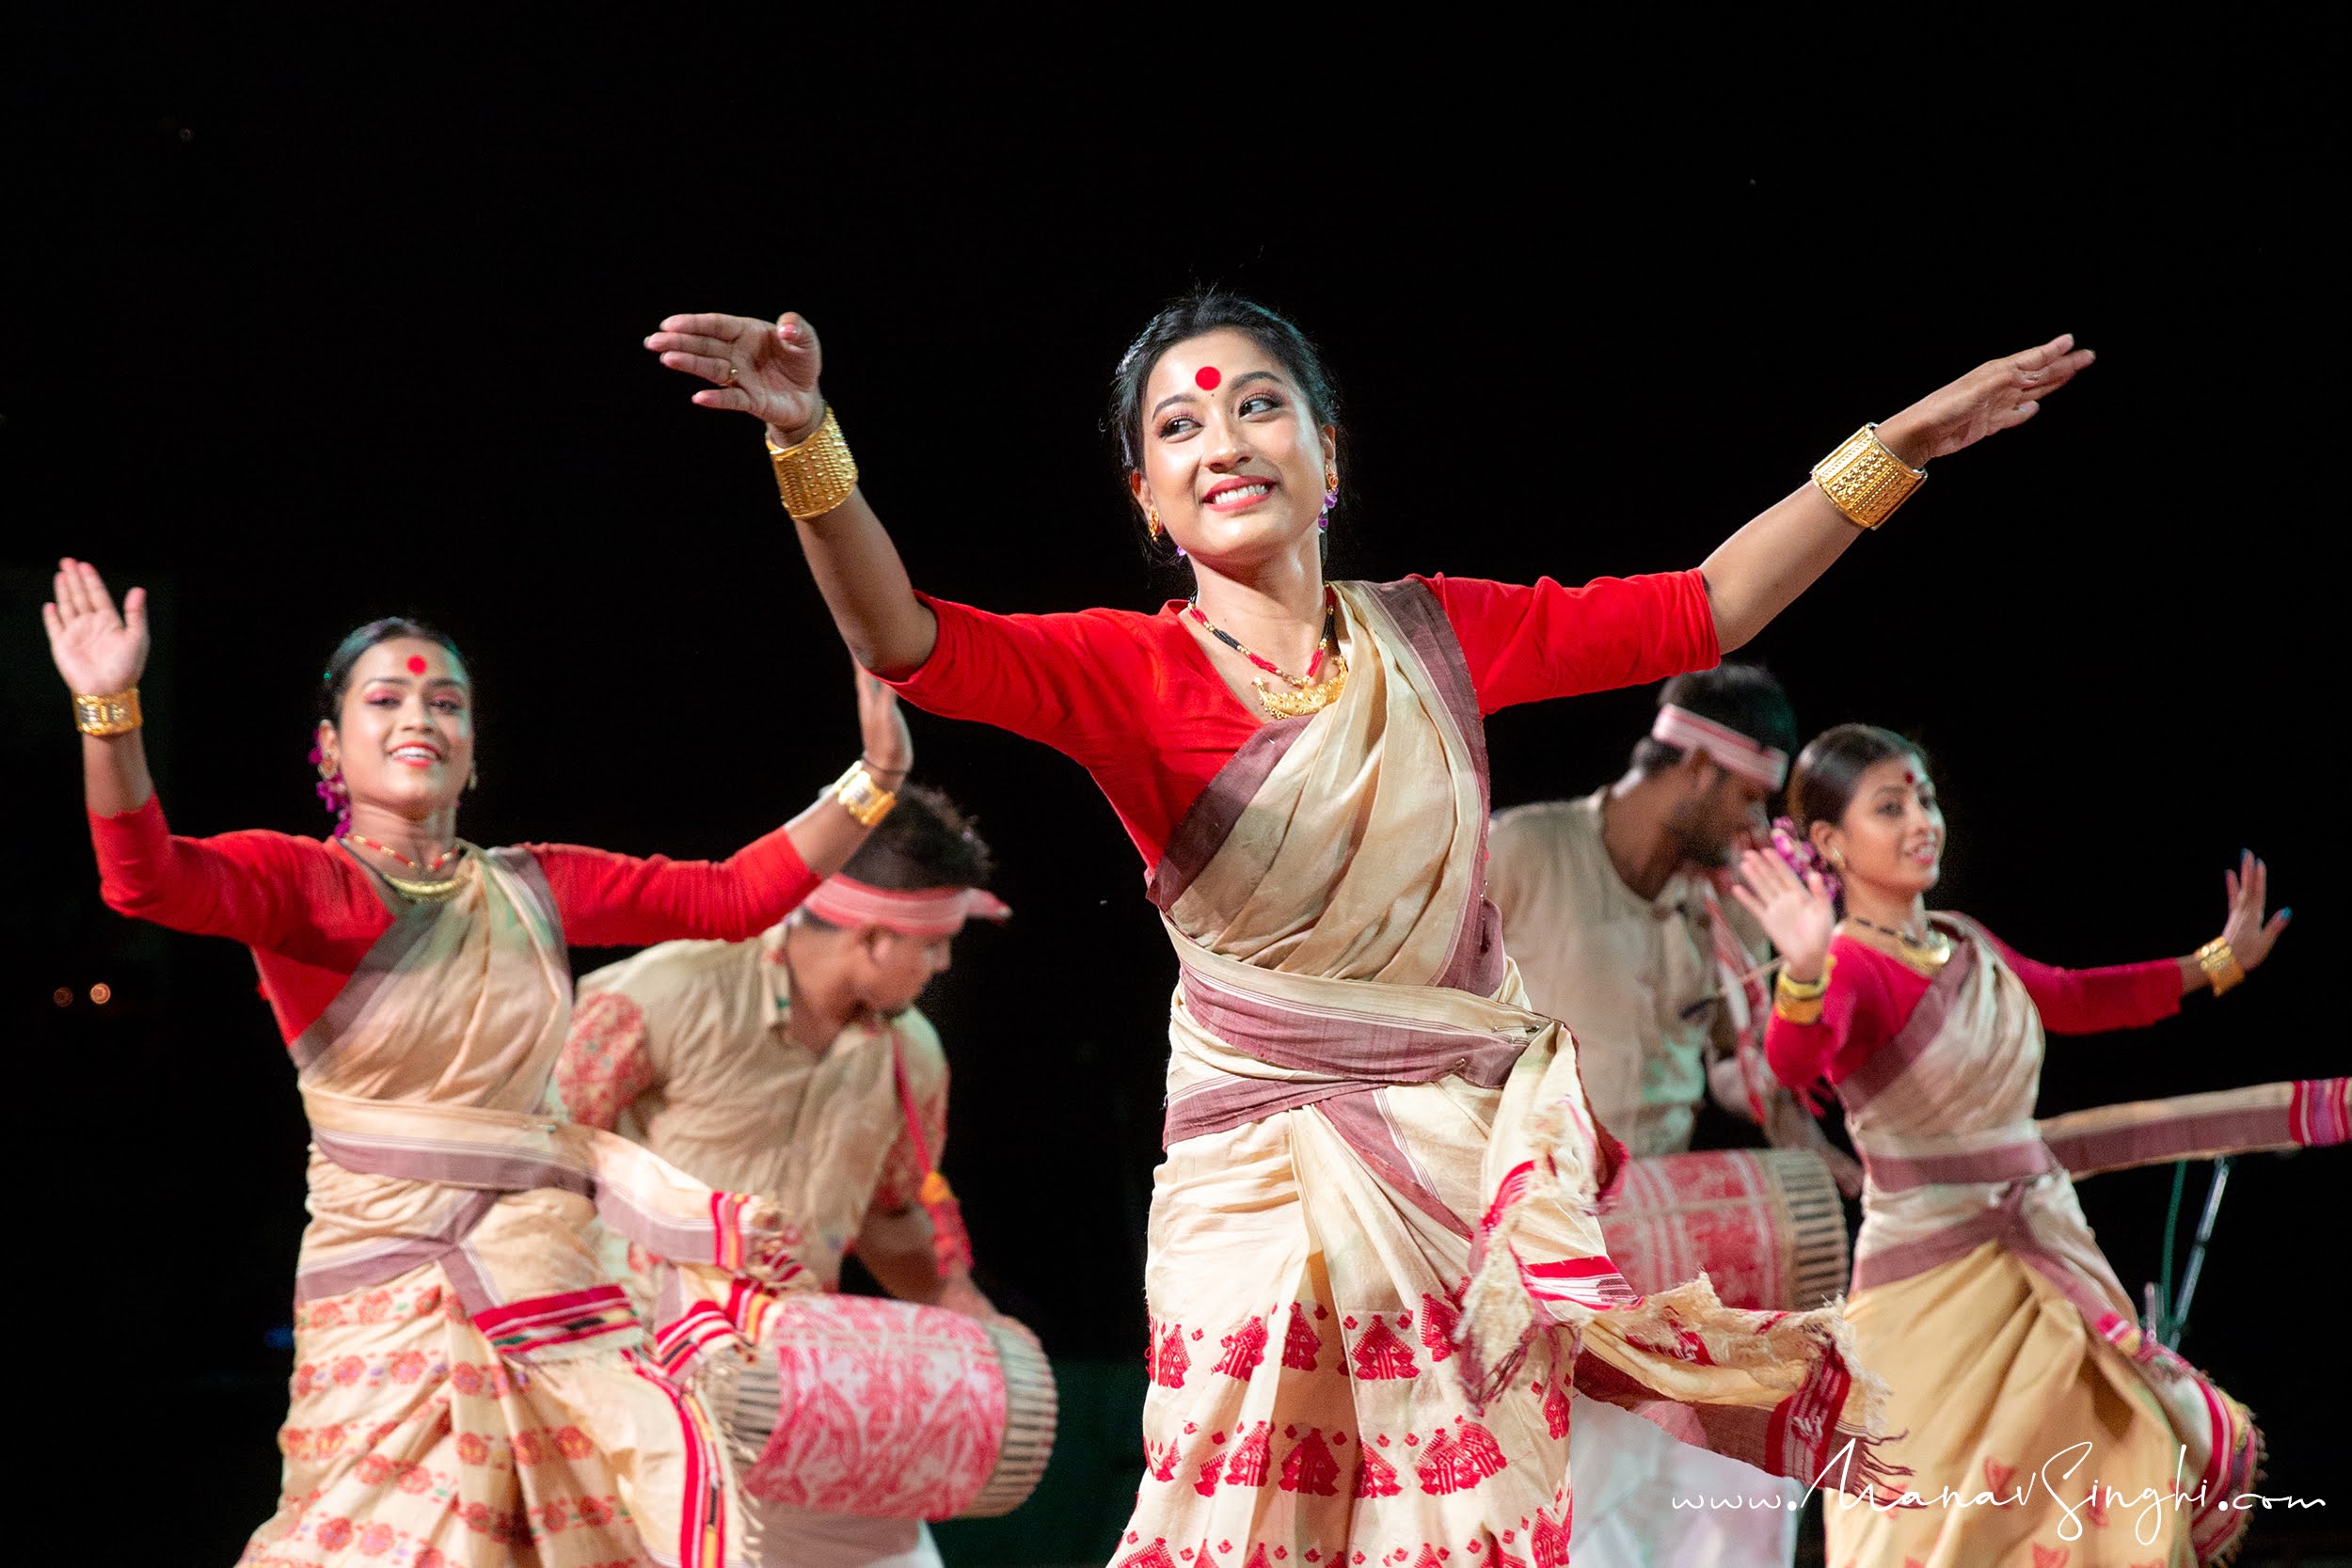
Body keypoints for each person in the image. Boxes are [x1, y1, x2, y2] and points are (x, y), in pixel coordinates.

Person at [640, 292, 2092, 1561]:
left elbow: (1703, 609)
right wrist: (805, 447)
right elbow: (906, 637)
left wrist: (1896, 449)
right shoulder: (1125, 672)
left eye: (1262, 405)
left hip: (1457, 1185)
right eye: (1179, 426)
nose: (1225, 440)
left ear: (1329, 459)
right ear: (1148, 496)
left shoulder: (1441, 636)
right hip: (1261, 1199)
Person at [44, 558, 913, 1568]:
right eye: (387, 696)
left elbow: (724, 897)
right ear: (329, 745)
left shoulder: (532, 886)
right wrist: (109, 706)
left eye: (446, 700)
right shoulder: (302, 885)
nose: (421, 714)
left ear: (472, 750)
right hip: (381, 1302)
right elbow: (144, 879)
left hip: (544, 1286)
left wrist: (875, 781)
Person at [1732, 723, 2301, 1567]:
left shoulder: (1963, 940)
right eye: (1889, 807)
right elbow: (1797, 1059)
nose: (1921, 819)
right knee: (1922, 1525)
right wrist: (1805, 970)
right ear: (1827, 841)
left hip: (2042, 1261)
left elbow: (2071, 998)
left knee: (2117, 1458)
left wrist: (2215, 963)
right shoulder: (1848, 966)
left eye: (1923, 798)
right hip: (1932, 1285)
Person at [557, 785, 1009, 1568]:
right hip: (635, 1381)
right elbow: (534, 1156)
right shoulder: (670, 991)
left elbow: (894, 1214)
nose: (942, 963)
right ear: (874, 936)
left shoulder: (913, 1054)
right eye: (933, 944)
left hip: (791, 1383)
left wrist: (962, 1305)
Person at [1486, 666, 1858, 1568]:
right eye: (1748, 798)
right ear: (1693, 766)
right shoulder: (1524, 853)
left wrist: (1853, 1166)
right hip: (1516, 1234)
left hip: (1656, 1233)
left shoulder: (1726, 908)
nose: (1757, 828)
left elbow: (1752, 1080)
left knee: (1742, 1470)